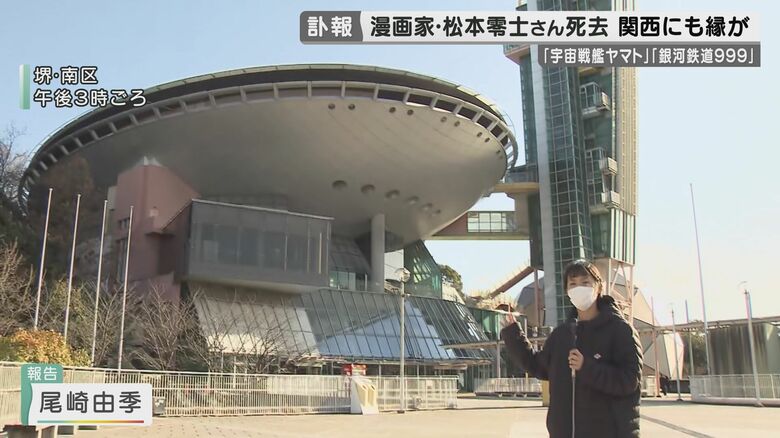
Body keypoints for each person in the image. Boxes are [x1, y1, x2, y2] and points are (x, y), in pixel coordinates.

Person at [500, 259, 643, 438]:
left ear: (599, 287)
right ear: (567, 291)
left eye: (585, 282)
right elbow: (538, 366)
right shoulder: (562, 335)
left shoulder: (620, 330)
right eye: (573, 284)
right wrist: (513, 335)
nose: (579, 288)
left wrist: (586, 367)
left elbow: (629, 381)